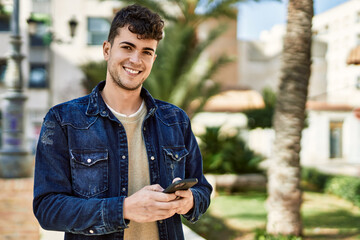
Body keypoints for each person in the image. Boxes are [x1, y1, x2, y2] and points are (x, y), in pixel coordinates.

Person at [33, 4, 212, 240]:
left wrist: (189, 201)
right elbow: (48, 209)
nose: (136, 59)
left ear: (154, 58)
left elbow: (203, 190)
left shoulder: (175, 120)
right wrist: (125, 209)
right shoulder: (63, 120)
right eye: (127, 47)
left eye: (146, 51)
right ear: (107, 50)